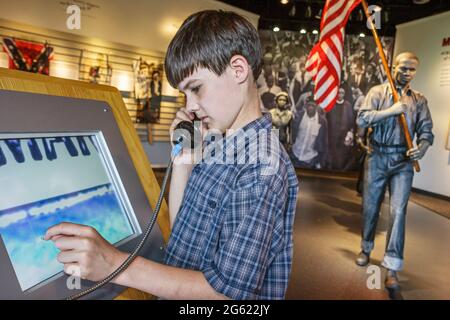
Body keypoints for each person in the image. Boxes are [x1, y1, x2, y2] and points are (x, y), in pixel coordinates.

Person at [44, 10, 299, 300]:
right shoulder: (219, 141)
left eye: (196, 88)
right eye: (184, 95)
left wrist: (115, 265)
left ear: (238, 70)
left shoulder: (261, 165)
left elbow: (226, 295)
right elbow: (183, 233)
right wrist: (184, 159)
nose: (189, 106)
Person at [355, 52, 434, 289]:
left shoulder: (419, 100)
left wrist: (422, 148)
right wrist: (391, 110)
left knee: (398, 212)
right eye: (403, 68)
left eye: (412, 69)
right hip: (377, 156)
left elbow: (427, 132)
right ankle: (366, 247)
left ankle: (392, 265)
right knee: (371, 207)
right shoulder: (377, 92)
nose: (407, 73)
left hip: (403, 162)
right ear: (394, 67)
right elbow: (362, 120)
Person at [290, 100, 328, 169]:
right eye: (309, 105)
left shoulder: (322, 121)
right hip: (295, 155)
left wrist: (321, 160)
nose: (310, 108)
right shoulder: (298, 116)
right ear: (305, 106)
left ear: (316, 107)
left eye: (312, 106)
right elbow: (291, 131)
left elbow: (324, 141)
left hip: (310, 159)